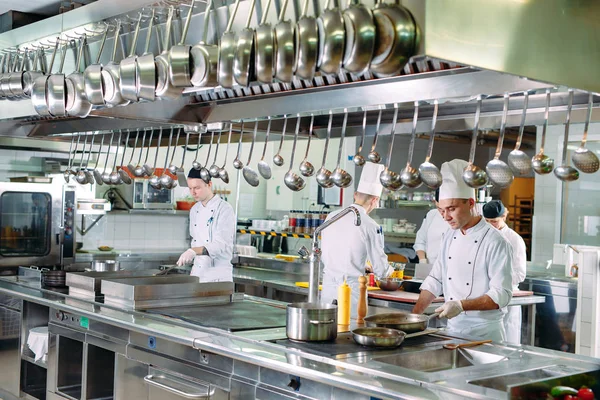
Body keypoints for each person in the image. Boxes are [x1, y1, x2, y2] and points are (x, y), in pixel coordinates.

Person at [412, 159, 513, 342]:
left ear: (471, 203)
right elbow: (435, 278)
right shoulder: (450, 236)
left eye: (451, 209)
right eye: (441, 211)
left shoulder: (495, 241)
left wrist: (461, 305)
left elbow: (501, 295)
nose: (446, 217)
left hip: (485, 335)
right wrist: (414, 317)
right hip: (453, 331)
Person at [320, 162, 394, 317]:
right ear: (375, 200)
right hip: (351, 294)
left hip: (327, 290)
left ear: (355, 195)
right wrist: (390, 271)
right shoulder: (369, 225)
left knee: (326, 331)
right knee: (349, 334)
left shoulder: (332, 216)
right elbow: (381, 270)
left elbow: (328, 251)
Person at [176, 168, 235, 282]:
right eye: (190, 188)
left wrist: (193, 251)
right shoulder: (194, 210)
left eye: (197, 188)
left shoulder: (224, 209)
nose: (193, 192)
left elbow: (220, 245)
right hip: (198, 273)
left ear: (209, 184)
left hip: (218, 276)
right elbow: (195, 239)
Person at [483, 200, 527, 344]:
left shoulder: (515, 240)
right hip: (486, 296)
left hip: (508, 297)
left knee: (508, 341)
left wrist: (497, 279)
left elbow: (520, 274)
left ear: (504, 217)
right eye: (487, 221)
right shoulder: (483, 237)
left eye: (494, 221)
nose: (490, 225)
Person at [413, 189, 447, 265]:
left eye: (446, 209)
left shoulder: (457, 219)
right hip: (430, 266)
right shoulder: (432, 215)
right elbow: (420, 241)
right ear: (435, 202)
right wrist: (422, 260)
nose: (442, 213)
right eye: (439, 208)